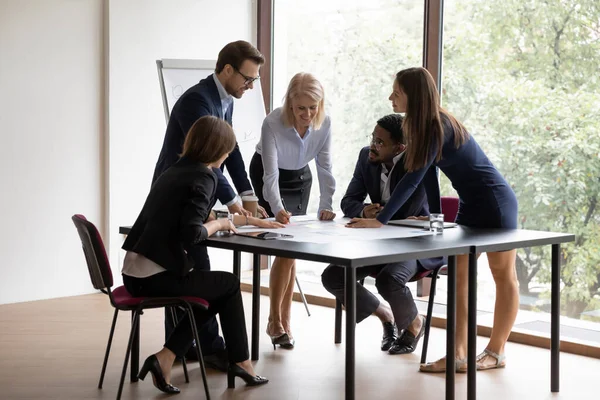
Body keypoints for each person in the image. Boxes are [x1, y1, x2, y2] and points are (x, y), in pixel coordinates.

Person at [347, 67, 519, 372]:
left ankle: (496, 351)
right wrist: (435, 215)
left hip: (496, 203)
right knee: (460, 278)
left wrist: (381, 219)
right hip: (471, 207)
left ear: (413, 95)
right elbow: (428, 175)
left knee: (503, 276)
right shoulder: (420, 125)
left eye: (396, 92)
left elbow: (412, 179)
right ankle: (459, 354)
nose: (391, 97)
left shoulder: (438, 124)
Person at [122, 116, 283, 394]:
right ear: (219, 150)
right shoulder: (205, 176)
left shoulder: (175, 170)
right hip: (154, 277)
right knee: (229, 285)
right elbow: (192, 233)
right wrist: (219, 224)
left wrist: (251, 221)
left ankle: (167, 358)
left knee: (214, 292)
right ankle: (241, 363)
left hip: (135, 273)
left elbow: (191, 215)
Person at [153, 40, 268, 370]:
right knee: (198, 272)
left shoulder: (223, 98)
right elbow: (207, 158)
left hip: (193, 192)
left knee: (187, 267)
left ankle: (186, 346)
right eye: (248, 79)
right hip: (180, 193)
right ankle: (211, 349)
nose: (250, 86)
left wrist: (248, 194)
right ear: (228, 70)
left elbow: (229, 150)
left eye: (255, 80)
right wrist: (232, 204)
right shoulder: (196, 101)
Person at [321, 114, 444, 355]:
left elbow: (408, 210)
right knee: (334, 276)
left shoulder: (417, 162)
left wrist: (380, 215)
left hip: (415, 244)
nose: (373, 146)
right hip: (376, 242)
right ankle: (386, 314)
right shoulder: (365, 157)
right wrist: (364, 209)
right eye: (373, 138)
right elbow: (348, 201)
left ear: (400, 147)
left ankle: (414, 324)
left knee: (389, 279)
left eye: (380, 142)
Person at [249, 72, 336, 349]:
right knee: (284, 247)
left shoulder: (325, 124)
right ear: (290, 104)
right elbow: (270, 175)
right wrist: (276, 208)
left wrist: (326, 205)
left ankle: (283, 321)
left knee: (292, 248)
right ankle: (275, 321)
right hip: (269, 177)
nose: (307, 114)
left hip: (301, 179)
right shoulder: (273, 122)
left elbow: (324, 167)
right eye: (301, 108)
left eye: (313, 107)